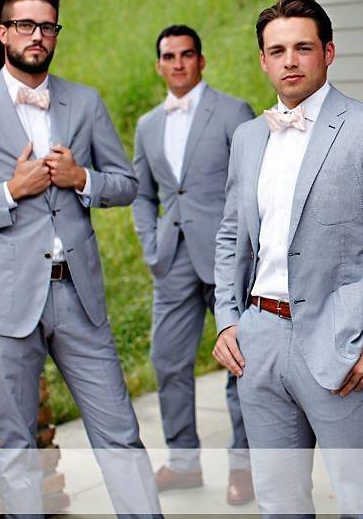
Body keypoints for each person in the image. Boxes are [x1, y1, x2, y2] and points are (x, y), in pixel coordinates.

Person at [0, 0, 161, 516]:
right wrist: (9, 192)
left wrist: (83, 179)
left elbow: (127, 184)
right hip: (4, 305)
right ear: (4, 33)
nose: (37, 35)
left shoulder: (86, 101)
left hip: (79, 297)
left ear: (56, 35)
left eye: (47, 26)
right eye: (25, 25)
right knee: (16, 443)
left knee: (120, 431)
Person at [211, 0, 363, 516]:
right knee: (279, 503)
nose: (289, 60)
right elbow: (230, 237)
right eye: (276, 51)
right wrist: (227, 320)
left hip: (341, 345)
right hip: (259, 342)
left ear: (328, 53)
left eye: (303, 48)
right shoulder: (248, 138)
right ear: (263, 60)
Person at [132, 25, 254, 501]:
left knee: (239, 363)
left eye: (187, 55)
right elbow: (144, 193)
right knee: (167, 360)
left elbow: (249, 185)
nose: (178, 63)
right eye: (169, 56)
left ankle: (242, 468)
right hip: (173, 259)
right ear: (159, 65)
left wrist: (246, 246)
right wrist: (149, 243)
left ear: (201, 61)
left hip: (228, 258)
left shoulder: (232, 112)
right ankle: (183, 462)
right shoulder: (148, 125)